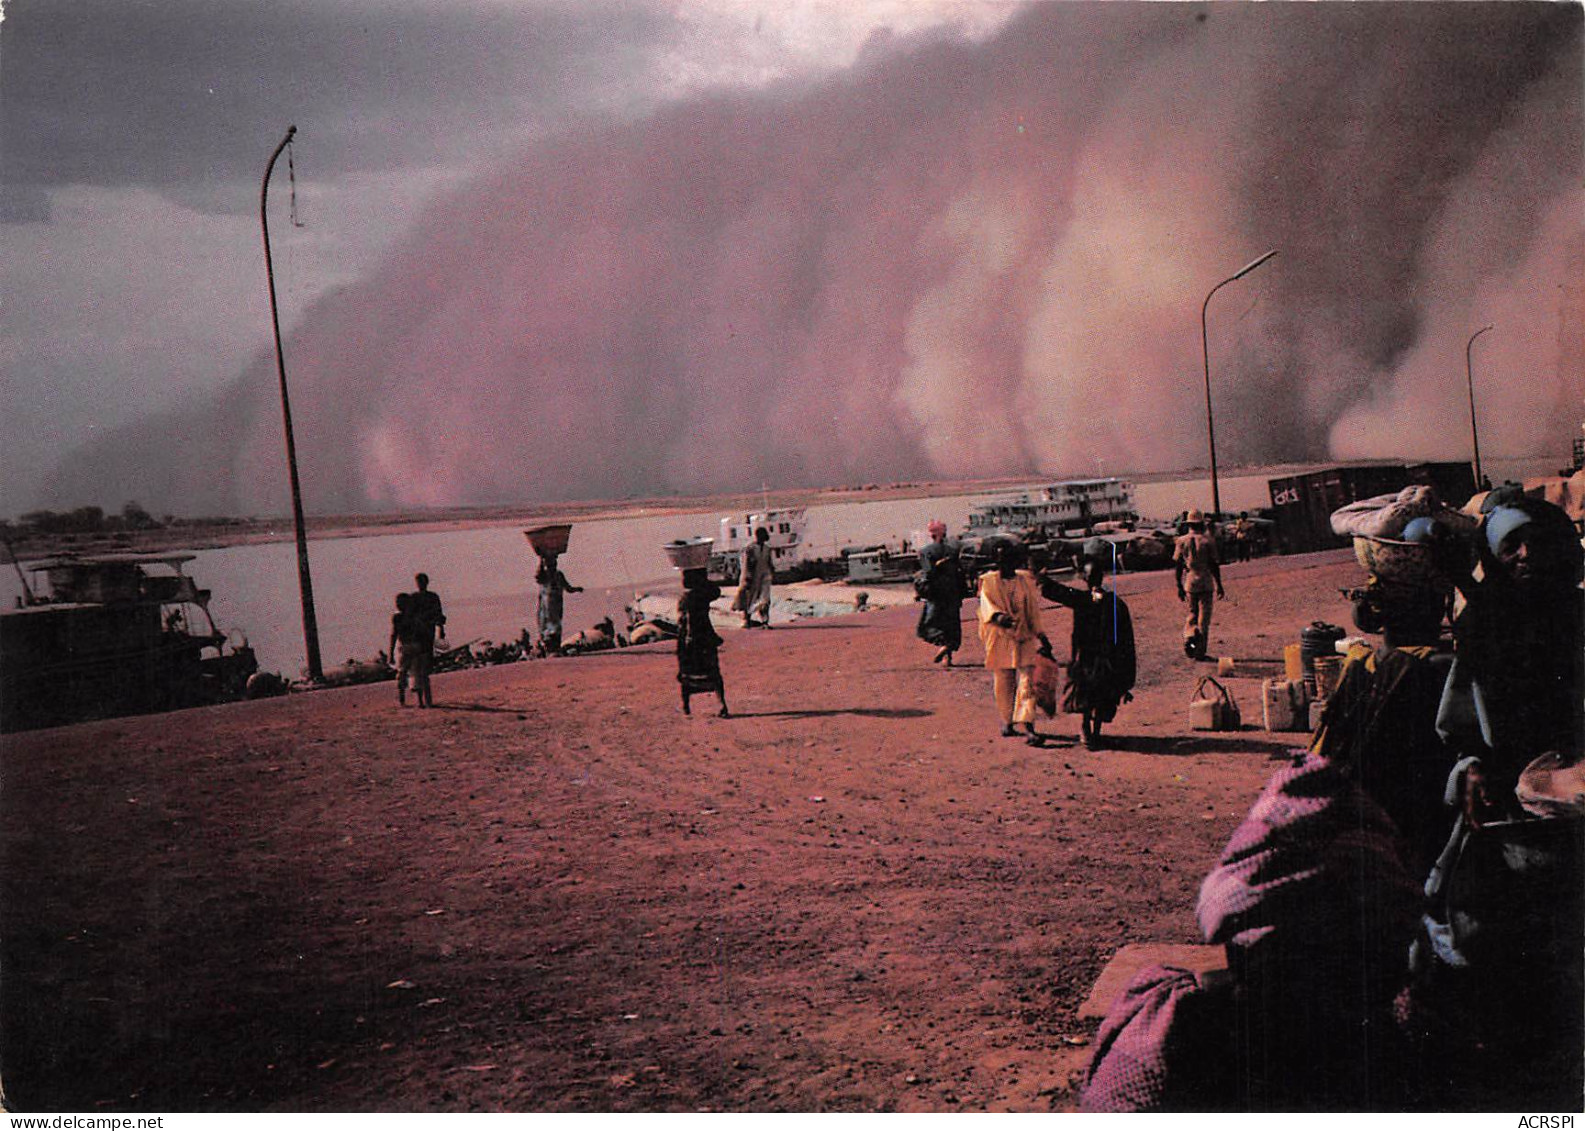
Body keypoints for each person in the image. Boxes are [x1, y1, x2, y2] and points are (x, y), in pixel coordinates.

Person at [1039, 539, 1136, 749]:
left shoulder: (1083, 599)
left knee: (1088, 698)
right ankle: (1093, 732)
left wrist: (1042, 579)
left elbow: (1057, 592)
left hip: (1089, 657)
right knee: (1098, 697)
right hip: (1101, 658)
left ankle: (1088, 732)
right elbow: (1126, 639)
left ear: (1085, 578)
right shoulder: (1115, 602)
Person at [977, 541, 1046, 744]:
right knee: (1003, 680)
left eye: (1008, 559)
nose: (1004, 563)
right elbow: (985, 604)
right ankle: (1007, 721)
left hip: (1024, 635)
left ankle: (1028, 725)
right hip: (1000, 638)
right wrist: (998, 617)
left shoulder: (1024, 580)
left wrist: (1041, 635)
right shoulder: (988, 581)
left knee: (1028, 681)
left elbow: (1032, 609)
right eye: (1000, 559)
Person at [676, 567, 729, 717]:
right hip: (704, 636)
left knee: (687, 673)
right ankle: (722, 704)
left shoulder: (687, 597)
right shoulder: (702, 595)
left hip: (690, 639)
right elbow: (716, 591)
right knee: (712, 671)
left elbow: (684, 621)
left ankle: (686, 706)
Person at [1173, 508, 1223, 660]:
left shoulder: (1181, 541)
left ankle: (1189, 638)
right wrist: (1219, 584)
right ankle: (1200, 651)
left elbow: (1178, 566)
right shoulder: (1208, 541)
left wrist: (1179, 586)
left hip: (1190, 581)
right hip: (1205, 580)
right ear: (1201, 523)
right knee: (1204, 619)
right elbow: (1214, 565)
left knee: (1192, 614)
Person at [916, 520, 967, 665]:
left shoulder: (926, 552)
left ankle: (944, 646)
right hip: (953, 592)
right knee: (951, 623)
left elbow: (928, 572)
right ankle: (947, 656)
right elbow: (960, 572)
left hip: (936, 594)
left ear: (931, 534)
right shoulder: (953, 551)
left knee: (929, 625)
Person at [388, 592, 432, 708]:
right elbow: (422, 633)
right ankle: (420, 701)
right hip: (415, 646)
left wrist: (390, 653)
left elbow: (394, 635)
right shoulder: (415, 617)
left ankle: (402, 700)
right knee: (416, 673)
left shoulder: (397, 618)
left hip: (404, 647)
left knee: (402, 673)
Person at [535, 554, 583, 655]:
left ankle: (555, 648)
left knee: (556, 626)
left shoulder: (558, 575)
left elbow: (568, 588)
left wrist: (577, 589)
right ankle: (550, 649)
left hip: (556, 605)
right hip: (546, 606)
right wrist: (540, 560)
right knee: (547, 627)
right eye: (550, 564)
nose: (553, 566)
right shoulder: (544, 575)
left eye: (553, 563)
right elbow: (538, 576)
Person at [733, 526, 775, 628]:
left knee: (765, 599)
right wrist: (747, 577)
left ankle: (765, 621)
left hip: (764, 577)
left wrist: (772, 573)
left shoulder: (767, 549)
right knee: (749, 599)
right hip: (751, 578)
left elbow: (769, 563)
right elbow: (746, 564)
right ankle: (746, 620)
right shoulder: (749, 549)